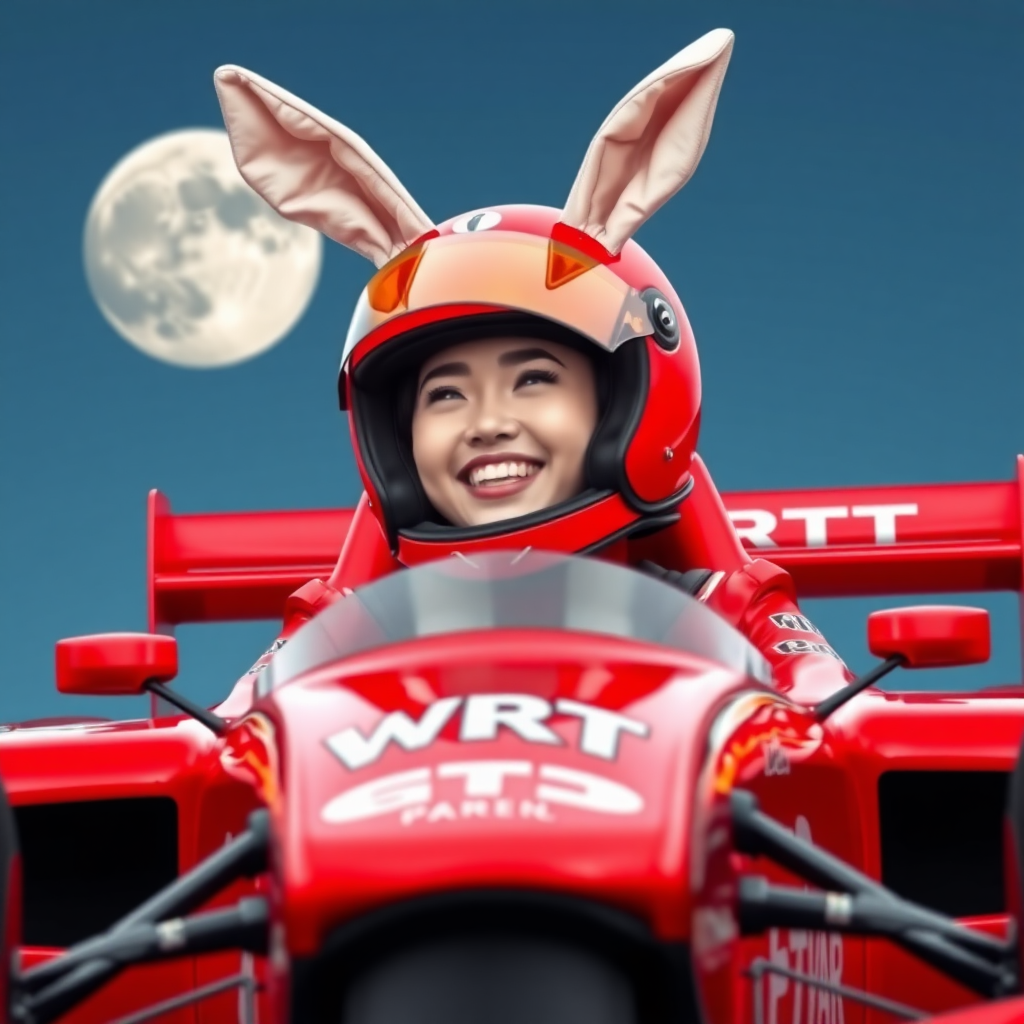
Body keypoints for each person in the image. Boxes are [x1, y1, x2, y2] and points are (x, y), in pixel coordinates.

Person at [214, 28, 851, 706]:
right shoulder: (345, 642)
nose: (487, 423)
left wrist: (824, 706)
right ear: (396, 440)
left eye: (533, 379)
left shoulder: (723, 616)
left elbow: (826, 697)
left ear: (621, 404)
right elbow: (228, 728)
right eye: (446, 395)